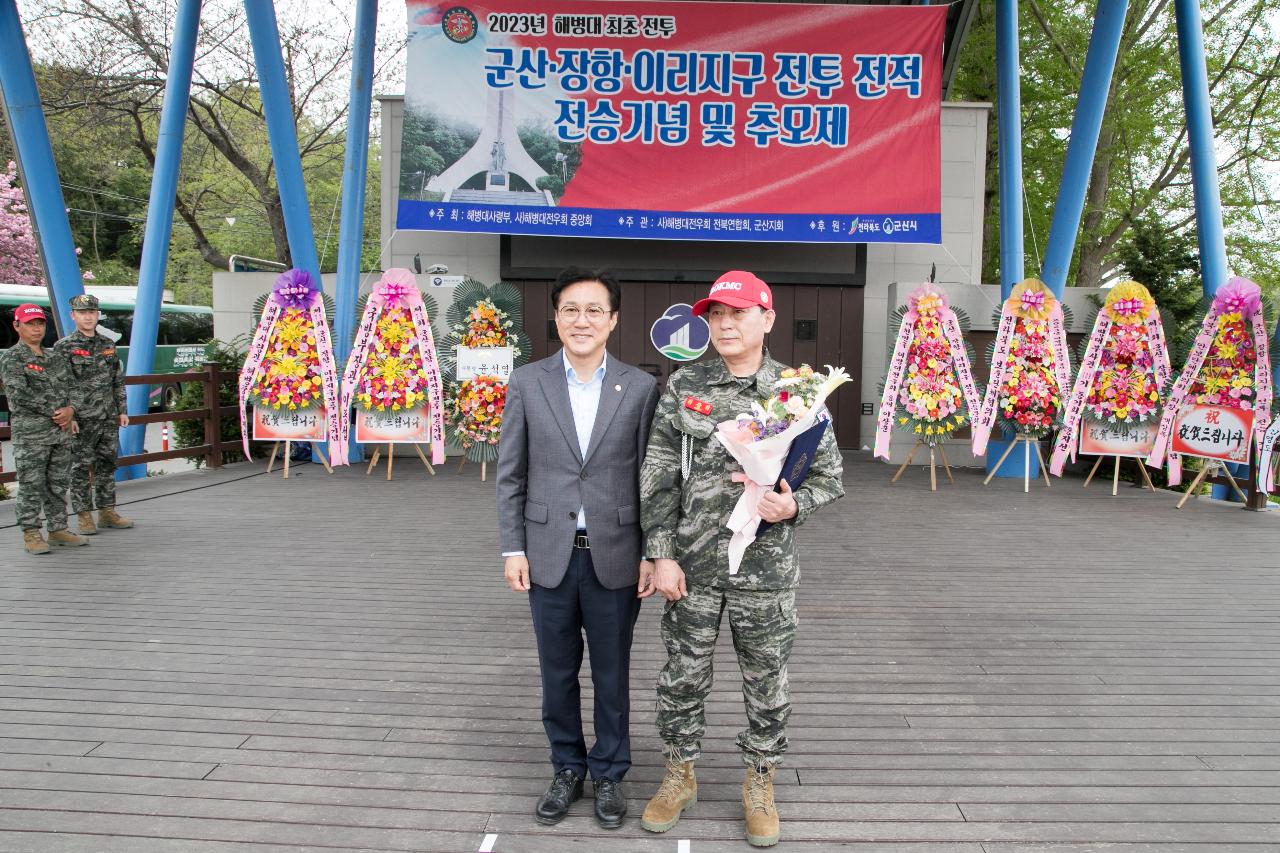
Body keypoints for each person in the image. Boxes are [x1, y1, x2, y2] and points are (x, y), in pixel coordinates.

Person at [638, 271, 845, 848]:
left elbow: (831, 476)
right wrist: (660, 553)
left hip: (766, 569)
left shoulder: (798, 391)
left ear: (767, 318)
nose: (725, 324)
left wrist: (793, 504)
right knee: (682, 675)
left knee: (766, 679)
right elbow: (657, 474)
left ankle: (760, 781)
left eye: (737, 313)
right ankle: (679, 774)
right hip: (693, 566)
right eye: (715, 315)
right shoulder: (685, 385)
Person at [496, 267, 660, 830]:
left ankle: (611, 773)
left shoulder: (639, 387)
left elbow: (650, 479)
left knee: (612, 675)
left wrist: (651, 551)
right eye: (570, 309)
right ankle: (567, 767)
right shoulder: (528, 382)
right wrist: (512, 548)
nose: (581, 320)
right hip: (547, 555)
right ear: (556, 317)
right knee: (557, 672)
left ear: (613, 320)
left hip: (615, 553)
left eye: (594, 310)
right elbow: (510, 475)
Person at [0, 304, 88, 554]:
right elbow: (18, 395)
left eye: (40, 323)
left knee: (58, 484)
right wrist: (57, 411)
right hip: (32, 436)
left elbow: (74, 388)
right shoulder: (12, 358)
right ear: (17, 326)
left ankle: (58, 528)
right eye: (30, 323)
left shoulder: (54, 358)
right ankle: (31, 533)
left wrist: (71, 409)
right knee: (31, 485)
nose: (36, 328)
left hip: (60, 434)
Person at [53, 293, 133, 534]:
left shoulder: (107, 345)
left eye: (92, 312)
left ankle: (107, 511)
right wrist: (70, 416)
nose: (88, 317)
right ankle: (84, 515)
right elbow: (59, 385)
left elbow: (117, 381)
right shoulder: (64, 347)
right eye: (82, 313)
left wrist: (122, 410)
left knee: (107, 464)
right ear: (73, 316)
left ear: (98, 315)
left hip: (107, 416)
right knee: (80, 467)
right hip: (81, 419)